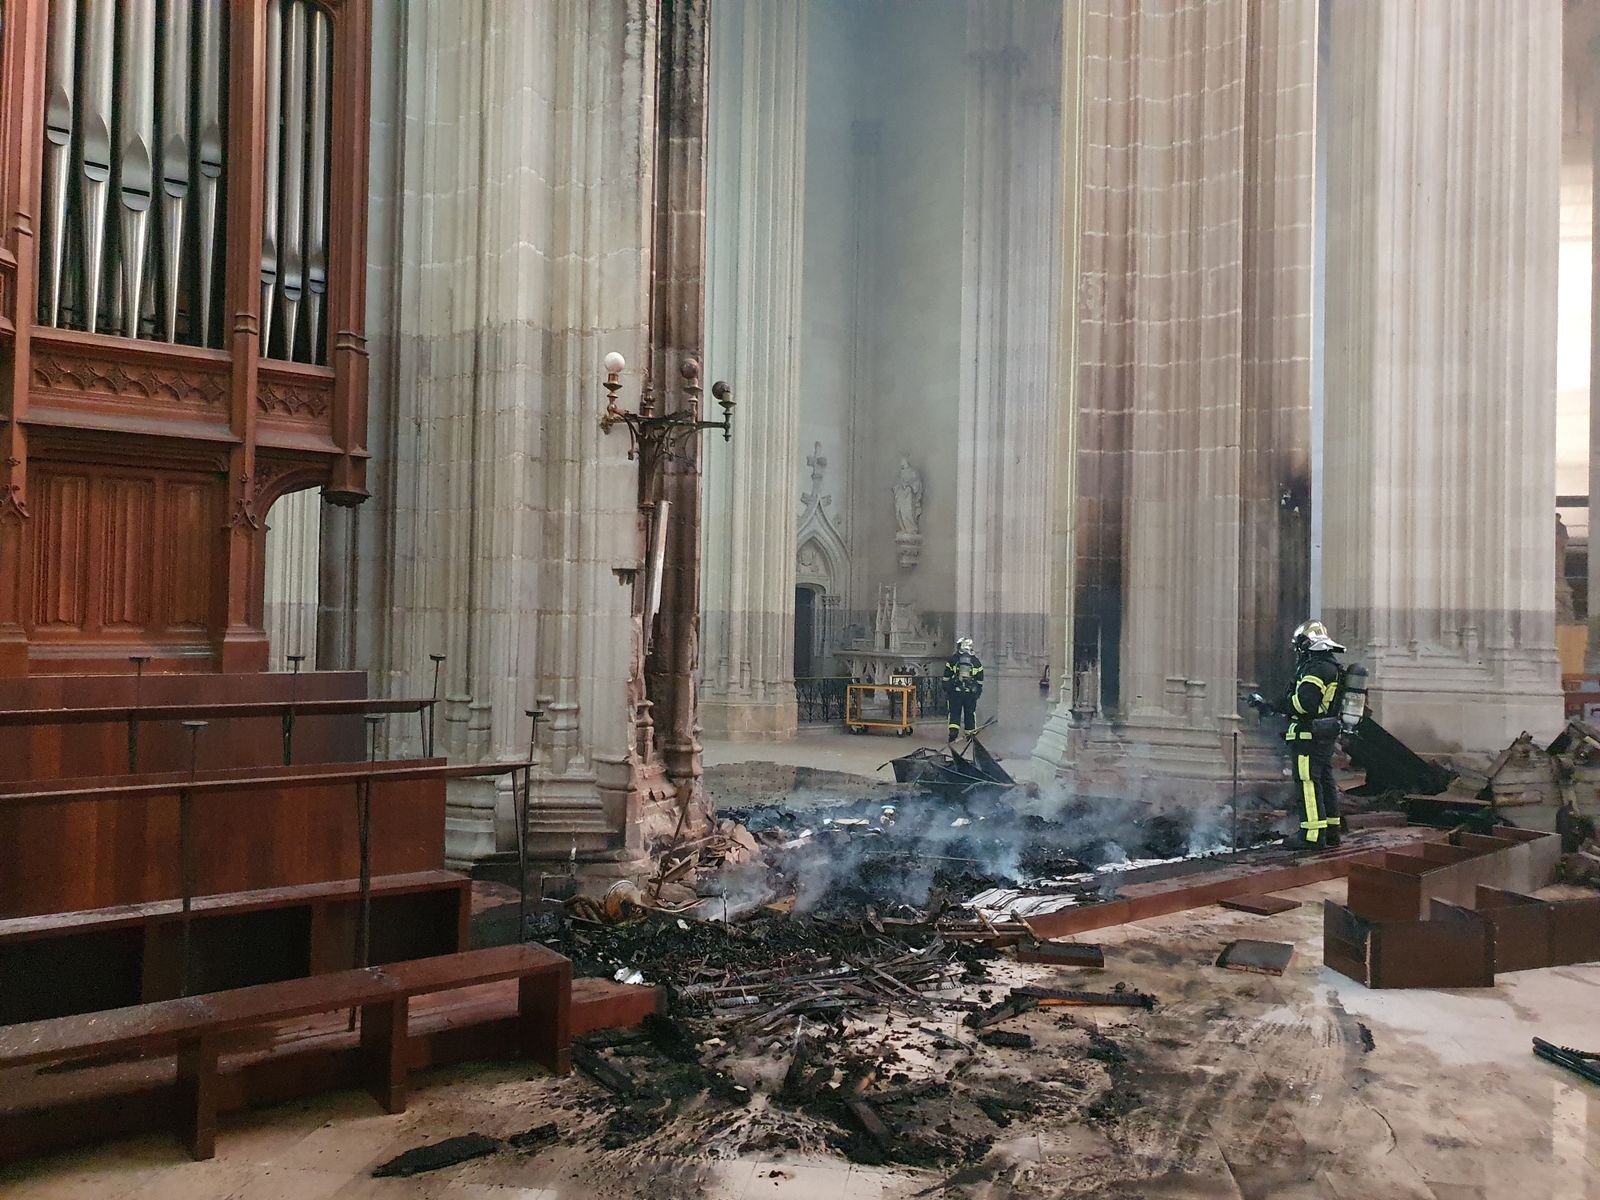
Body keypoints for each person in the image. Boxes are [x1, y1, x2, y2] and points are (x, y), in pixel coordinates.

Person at [1279, 620, 1344, 848]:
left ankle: (1312, 836)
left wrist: (1284, 703)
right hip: (1324, 735)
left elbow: (1304, 703)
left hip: (1308, 736)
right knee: (1325, 781)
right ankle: (1331, 832)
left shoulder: (1314, 668)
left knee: (1307, 782)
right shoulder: (1332, 667)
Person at [943, 637, 984, 742]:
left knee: (954, 713)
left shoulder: (953, 659)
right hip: (970, 694)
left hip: (955, 692)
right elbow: (980, 680)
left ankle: (953, 733)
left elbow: (946, 676)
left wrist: (947, 689)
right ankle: (970, 735)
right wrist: (977, 692)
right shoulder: (976, 661)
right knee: (970, 713)